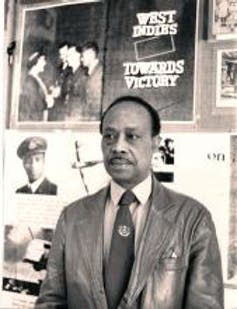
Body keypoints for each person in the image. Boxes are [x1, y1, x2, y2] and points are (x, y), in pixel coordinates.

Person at [36, 96, 223, 308]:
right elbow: (51, 301)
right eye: (109, 136)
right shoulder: (72, 217)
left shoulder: (193, 218)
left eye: (132, 136)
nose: (118, 146)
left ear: (155, 144)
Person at [19, 51, 60, 122]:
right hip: (34, 120)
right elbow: (35, 104)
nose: (45, 63)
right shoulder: (29, 81)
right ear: (35, 63)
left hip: (39, 117)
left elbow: (40, 96)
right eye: (42, 61)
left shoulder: (36, 78)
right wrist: (48, 102)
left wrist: (51, 95)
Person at [81, 41, 103, 120]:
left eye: (83, 56)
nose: (81, 59)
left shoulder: (101, 71)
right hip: (88, 116)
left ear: (91, 54)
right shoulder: (88, 72)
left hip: (95, 117)